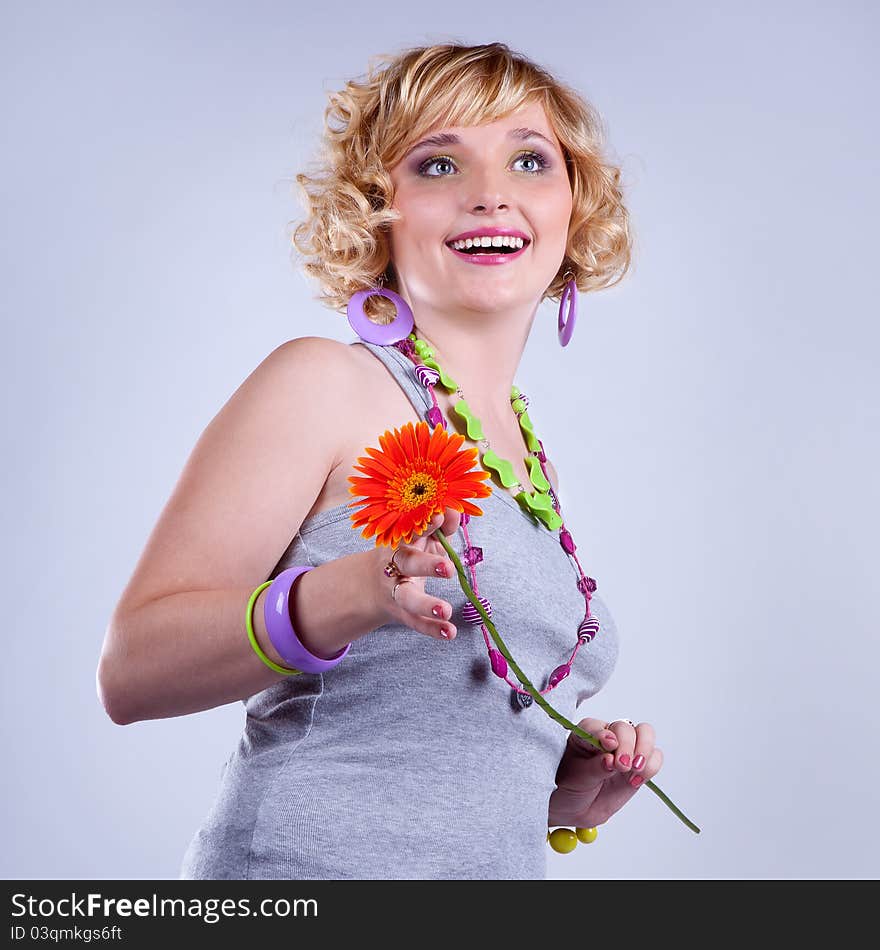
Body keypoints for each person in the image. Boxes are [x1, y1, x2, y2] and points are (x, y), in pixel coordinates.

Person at [97, 41, 663, 880]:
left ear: (575, 208)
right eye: (439, 164)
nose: (490, 194)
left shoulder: (518, 449)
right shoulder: (322, 383)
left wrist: (554, 791)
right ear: (378, 210)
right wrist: (344, 597)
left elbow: (415, 747)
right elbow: (132, 671)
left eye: (529, 159)